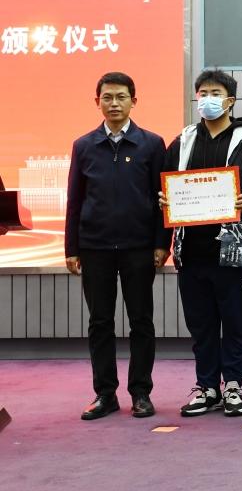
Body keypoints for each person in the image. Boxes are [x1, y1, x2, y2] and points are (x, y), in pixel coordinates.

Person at [162, 69, 242, 418]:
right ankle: (207, 387)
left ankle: (233, 385)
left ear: (230, 100)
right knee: (200, 324)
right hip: (190, 251)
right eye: (202, 93)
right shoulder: (182, 142)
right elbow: (164, 187)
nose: (207, 99)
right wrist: (164, 199)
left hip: (234, 253)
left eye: (215, 93)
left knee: (234, 321)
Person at [65, 72, 168, 420]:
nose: (114, 104)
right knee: (100, 322)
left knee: (141, 321)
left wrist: (161, 242)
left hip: (139, 247)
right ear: (97, 102)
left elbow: (161, 199)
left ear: (133, 101)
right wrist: (71, 248)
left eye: (121, 97)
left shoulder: (151, 144)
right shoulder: (83, 145)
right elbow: (75, 200)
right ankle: (105, 394)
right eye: (107, 97)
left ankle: (141, 392)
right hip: (94, 247)